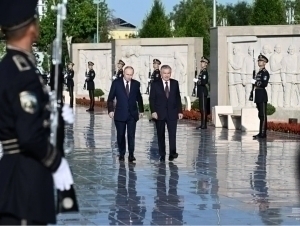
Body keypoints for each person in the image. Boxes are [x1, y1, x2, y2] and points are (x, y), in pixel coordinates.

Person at [0, 0, 75, 224]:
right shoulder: (23, 73)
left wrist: (54, 114)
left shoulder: (9, 66)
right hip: (25, 183)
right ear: (31, 28)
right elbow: (29, 134)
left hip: (17, 177)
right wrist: (56, 162)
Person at [107, 66, 144, 162]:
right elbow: (110, 98)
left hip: (132, 114)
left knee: (131, 135)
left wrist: (141, 110)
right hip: (120, 113)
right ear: (124, 73)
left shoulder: (136, 84)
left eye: (131, 75)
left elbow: (139, 98)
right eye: (127, 74)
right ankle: (122, 153)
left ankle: (131, 154)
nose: (129, 77)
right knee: (120, 135)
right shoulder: (116, 83)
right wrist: (111, 110)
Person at [149, 65, 183, 162]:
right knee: (160, 135)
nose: (166, 75)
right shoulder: (155, 84)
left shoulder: (175, 83)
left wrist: (180, 111)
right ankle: (162, 154)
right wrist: (153, 111)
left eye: (168, 73)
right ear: (161, 73)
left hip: (172, 113)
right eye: (164, 73)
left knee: (172, 134)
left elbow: (177, 98)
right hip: (159, 113)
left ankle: (172, 153)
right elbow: (152, 99)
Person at [251, 54, 269, 139]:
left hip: (262, 94)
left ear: (265, 63)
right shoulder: (258, 72)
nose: (259, 62)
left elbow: (264, 84)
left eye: (261, 61)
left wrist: (255, 82)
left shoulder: (265, 73)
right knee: (260, 115)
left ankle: (263, 133)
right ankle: (260, 132)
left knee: (263, 115)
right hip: (257, 94)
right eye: (258, 60)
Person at [195, 56, 209, 129]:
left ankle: (204, 125)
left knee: (203, 108)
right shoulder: (201, 71)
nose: (202, 63)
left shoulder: (205, 72)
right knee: (201, 108)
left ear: (206, 64)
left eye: (203, 62)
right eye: (201, 62)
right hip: (201, 91)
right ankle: (202, 124)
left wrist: (198, 81)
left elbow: (204, 81)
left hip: (203, 91)